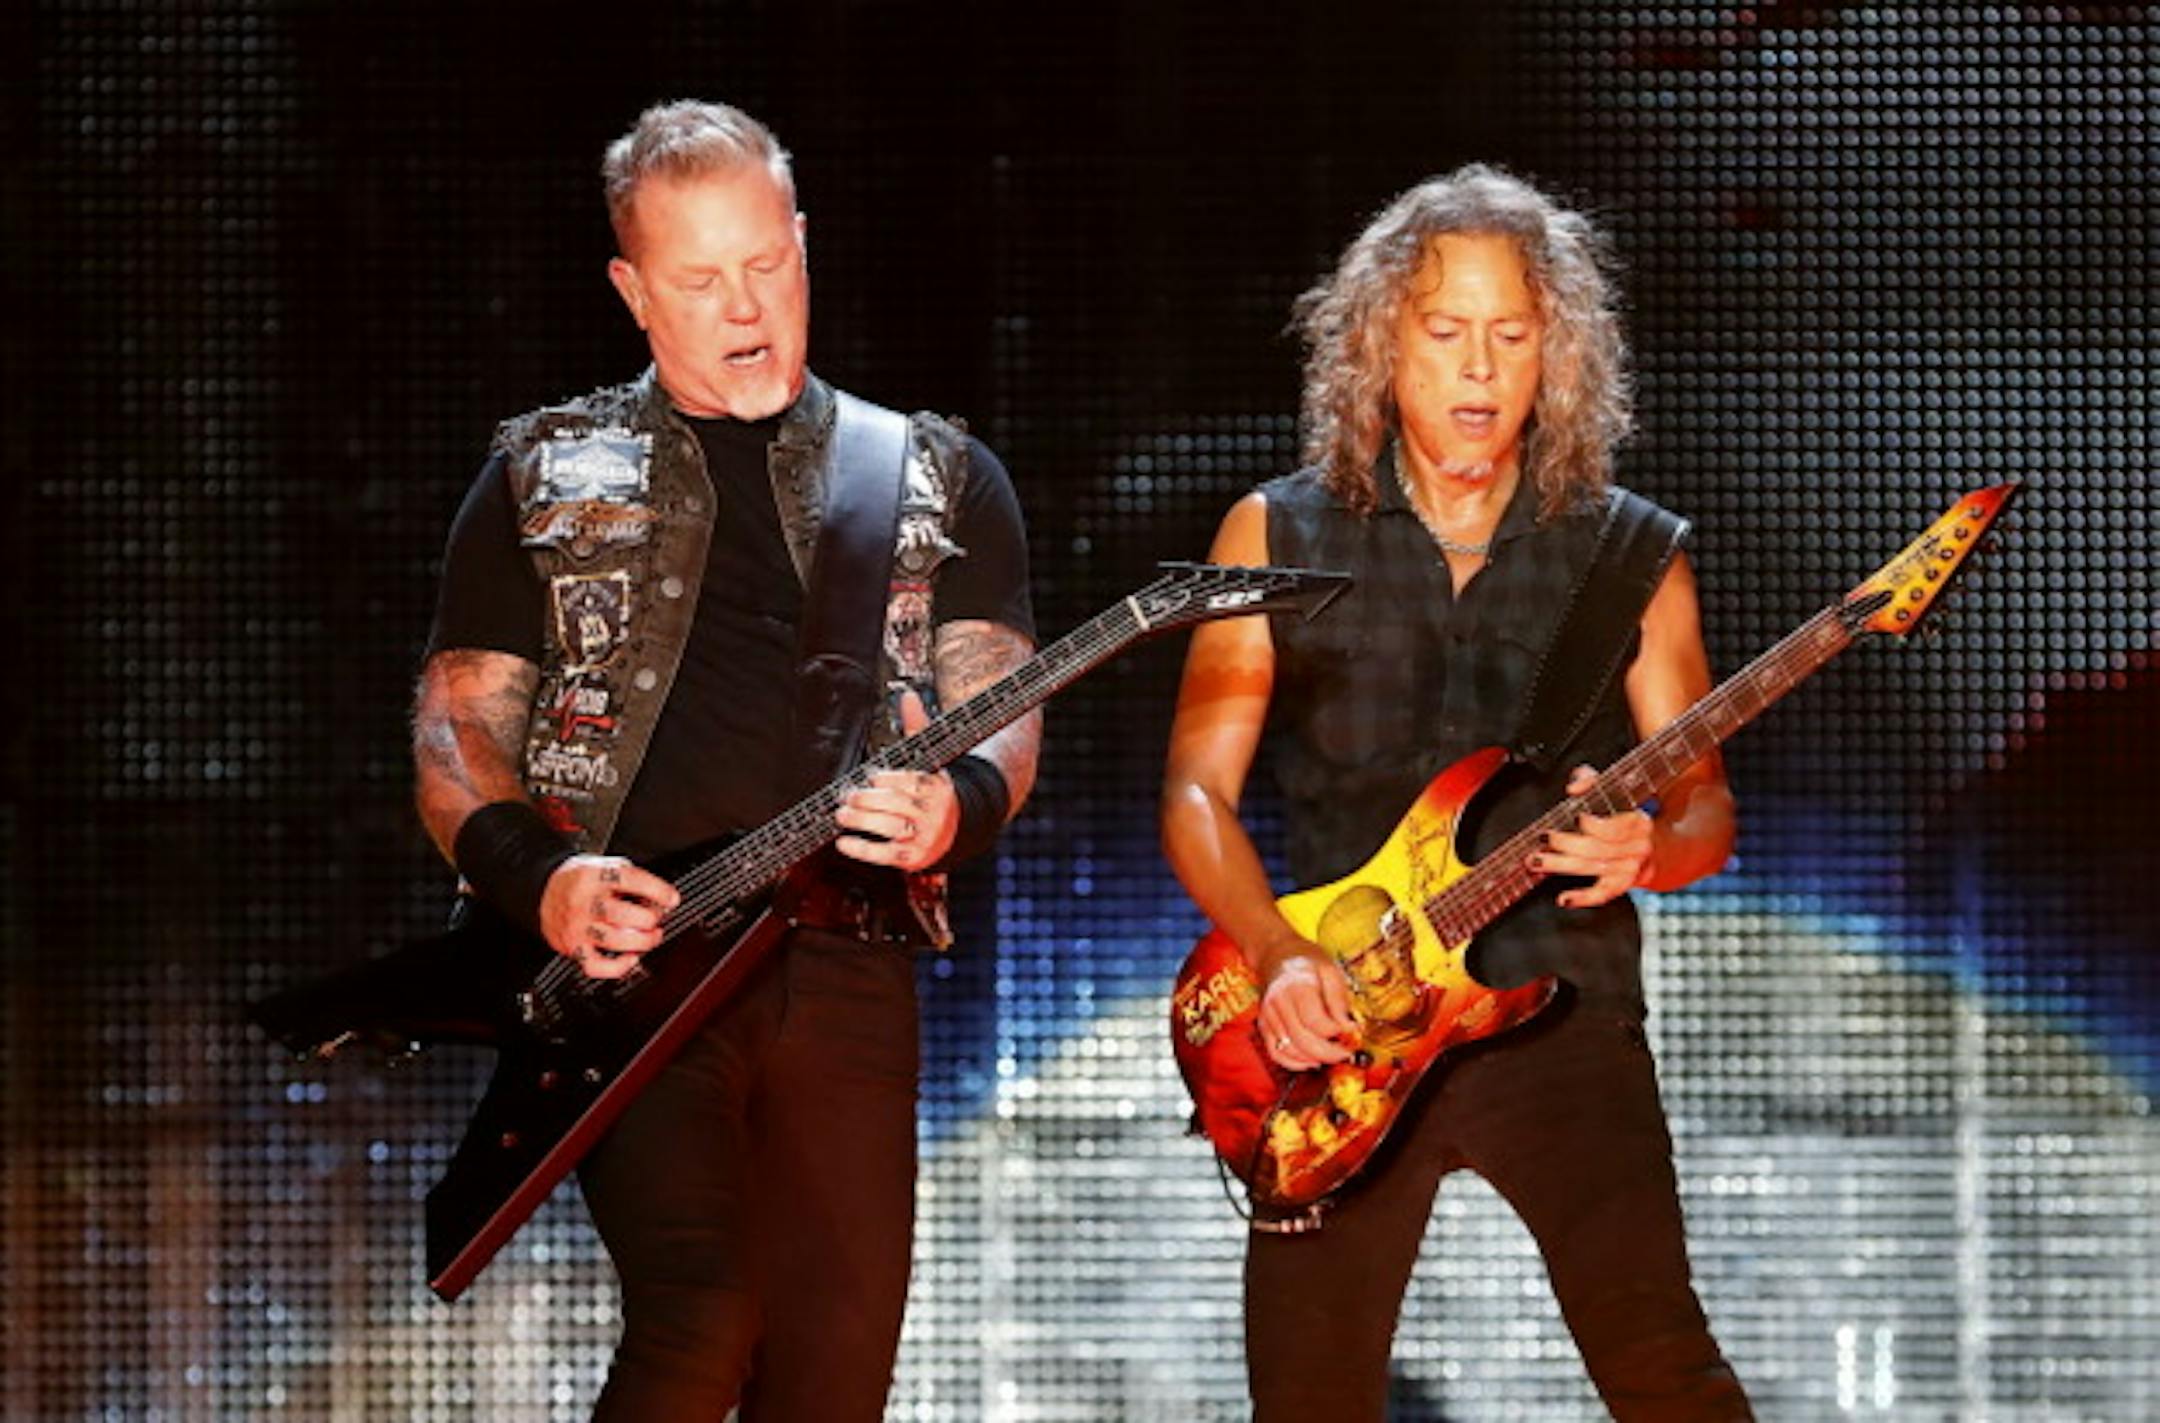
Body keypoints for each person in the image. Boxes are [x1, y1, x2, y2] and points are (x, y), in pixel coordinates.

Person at [410, 100, 1039, 1420]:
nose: (743, 304)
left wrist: (957, 804)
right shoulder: (537, 474)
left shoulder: (937, 472)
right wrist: (549, 881)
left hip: (850, 967)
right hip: (640, 976)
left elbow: (999, 701)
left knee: (836, 1366)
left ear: (802, 245)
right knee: (705, 1310)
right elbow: (455, 734)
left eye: (765, 263)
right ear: (634, 292)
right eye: (700, 279)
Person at [1160, 165, 1752, 1419]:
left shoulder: (1635, 553)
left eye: (1511, 335)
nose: (1478, 370)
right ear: (1383, 345)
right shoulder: (1270, 533)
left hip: (1562, 1007)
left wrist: (1653, 847)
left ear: (1557, 353)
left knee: (1667, 1372)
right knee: (1307, 1396)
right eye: (1444, 333)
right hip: (1340, 1033)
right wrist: (1275, 958)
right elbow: (1197, 796)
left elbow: (1706, 811)